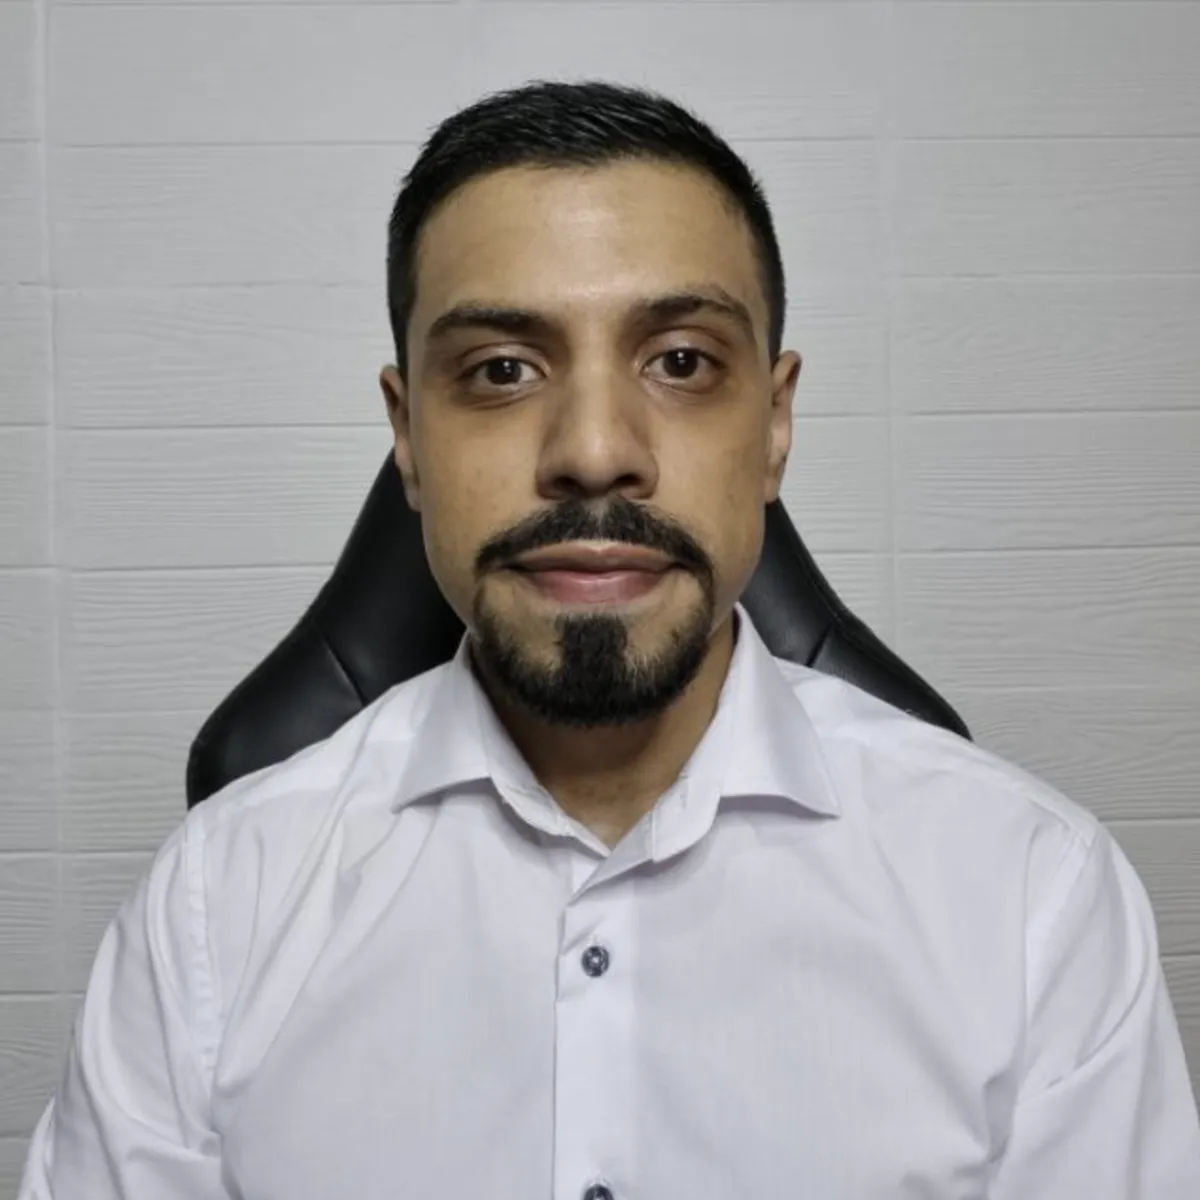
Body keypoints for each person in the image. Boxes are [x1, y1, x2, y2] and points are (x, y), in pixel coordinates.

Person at [19, 79, 1200, 1200]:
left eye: (682, 362)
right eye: (501, 369)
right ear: (408, 436)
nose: (594, 450)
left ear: (775, 422)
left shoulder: (1033, 895)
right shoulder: (216, 908)